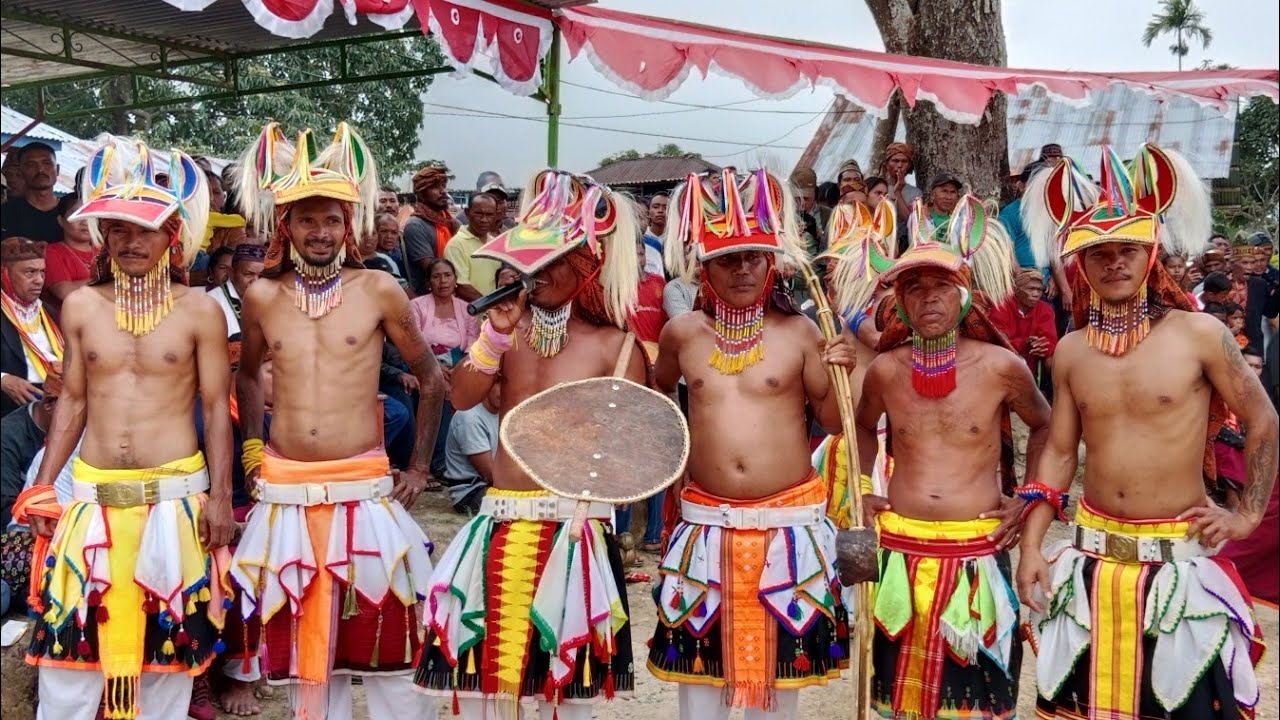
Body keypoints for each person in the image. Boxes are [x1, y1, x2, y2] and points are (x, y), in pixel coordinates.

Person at [1018, 143, 1276, 719]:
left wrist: (1247, 515)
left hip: (1179, 566)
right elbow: (1059, 452)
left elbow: (1262, 419)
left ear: (1151, 251)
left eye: (1128, 249)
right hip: (1090, 556)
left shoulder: (1199, 334)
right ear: (1079, 264)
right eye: (1100, 252)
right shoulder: (1070, 352)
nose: (1115, 262)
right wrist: (1034, 544)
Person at [14, 138, 236, 720]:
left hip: (176, 501)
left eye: (146, 229)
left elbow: (216, 408)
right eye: (117, 229)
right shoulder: (84, 307)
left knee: (163, 663)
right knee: (70, 657)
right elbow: (74, 403)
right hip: (92, 499)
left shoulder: (201, 309)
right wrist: (43, 481)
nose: (131, 242)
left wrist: (222, 497)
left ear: (172, 236)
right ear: (103, 238)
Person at [229, 122, 446, 720]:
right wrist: (252, 450)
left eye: (330, 220)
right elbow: (247, 375)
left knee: (391, 641)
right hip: (287, 487)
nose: (319, 232)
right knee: (303, 650)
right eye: (306, 220)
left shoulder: (379, 289)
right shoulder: (263, 297)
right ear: (286, 227)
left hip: (365, 485)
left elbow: (431, 378)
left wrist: (421, 467)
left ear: (347, 225)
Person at [415, 169, 645, 719]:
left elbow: (637, 450)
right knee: (488, 682)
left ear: (586, 266)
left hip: (576, 524)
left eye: (553, 260)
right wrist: (492, 336)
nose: (536, 272)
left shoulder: (617, 347)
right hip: (501, 517)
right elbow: (464, 397)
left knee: (565, 695)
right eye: (530, 260)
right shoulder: (507, 333)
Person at [648, 168, 853, 719]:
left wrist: (843, 372)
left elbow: (834, 423)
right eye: (727, 259)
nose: (741, 269)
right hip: (705, 525)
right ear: (704, 269)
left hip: (786, 527)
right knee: (699, 684)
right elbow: (658, 396)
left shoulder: (802, 333)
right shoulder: (682, 334)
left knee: (779, 694)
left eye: (753, 257)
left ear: (772, 264)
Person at [846, 196, 1050, 720]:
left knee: (976, 703)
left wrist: (1028, 496)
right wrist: (867, 488)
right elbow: (862, 427)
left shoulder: (1002, 365)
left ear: (965, 295)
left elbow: (1047, 426)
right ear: (901, 302)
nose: (928, 299)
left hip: (976, 548)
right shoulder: (886, 371)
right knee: (897, 700)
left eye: (940, 287)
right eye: (914, 288)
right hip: (900, 546)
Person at [410, 257, 480, 474]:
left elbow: (472, 345)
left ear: (455, 280)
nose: (442, 281)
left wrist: (458, 371)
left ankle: (461, 459)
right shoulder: (416, 306)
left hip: (459, 364)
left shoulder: (467, 309)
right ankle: (437, 461)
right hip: (424, 364)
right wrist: (433, 368)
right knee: (440, 391)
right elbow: (413, 341)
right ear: (429, 281)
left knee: (464, 393)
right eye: (436, 276)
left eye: (447, 275)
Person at [1, 237, 63, 417]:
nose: (39, 280)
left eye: (42, 272)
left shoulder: (48, 311)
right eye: (30, 272)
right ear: (4, 273)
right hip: (10, 408)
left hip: (53, 400)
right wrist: (3, 380)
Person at [989, 267, 1059, 398]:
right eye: (1031, 289)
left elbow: (1051, 340)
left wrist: (1043, 346)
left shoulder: (1045, 309)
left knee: (1053, 360)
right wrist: (1026, 343)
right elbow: (999, 342)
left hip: (1031, 356)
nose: (1036, 294)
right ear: (1017, 290)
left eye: (1039, 290)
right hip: (1007, 357)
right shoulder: (1002, 306)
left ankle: (1052, 395)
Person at [440, 382, 500, 515]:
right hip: (470, 493)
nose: (505, 391)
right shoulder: (469, 417)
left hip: (492, 485)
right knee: (523, 505)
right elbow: (491, 475)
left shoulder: (505, 411)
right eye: (499, 385)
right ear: (487, 386)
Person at [206, 243, 265, 366]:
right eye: (249, 274)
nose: (256, 282)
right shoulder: (211, 302)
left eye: (262, 276)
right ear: (232, 273)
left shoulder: (271, 301)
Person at [403, 163, 458, 294]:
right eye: (435, 187)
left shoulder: (451, 222)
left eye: (443, 186)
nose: (442, 191)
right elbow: (434, 269)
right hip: (431, 297)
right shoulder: (415, 225)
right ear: (421, 195)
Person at [442, 192, 502, 301]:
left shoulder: (495, 243)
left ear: (496, 216)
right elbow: (461, 287)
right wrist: (491, 306)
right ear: (467, 213)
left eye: (489, 215)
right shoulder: (456, 245)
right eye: (479, 213)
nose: (484, 220)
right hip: (469, 315)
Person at [44, 194, 98, 313]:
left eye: (90, 215)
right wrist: (109, 280)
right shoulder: (52, 252)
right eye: (77, 215)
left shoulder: (105, 251)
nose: (85, 221)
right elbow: (65, 292)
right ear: (61, 221)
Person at [1, 143, 62, 242]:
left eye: (46, 163)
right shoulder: (5, 213)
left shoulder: (71, 214)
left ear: (57, 170)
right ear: (20, 172)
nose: (40, 169)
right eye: (31, 164)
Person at [878, 142, 922, 230]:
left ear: (909, 165)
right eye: (895, 161)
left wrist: (898, 192)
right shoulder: (877, 188)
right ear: (887, 164)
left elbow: (911, 222)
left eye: (904, 161)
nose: (900, 165)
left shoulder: (915, 193)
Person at [643, 192, 670, 277]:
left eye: (665, 207)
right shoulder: (641, 237)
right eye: (656, 207)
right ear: (648, 212)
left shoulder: (675, 239)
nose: (660, 211)